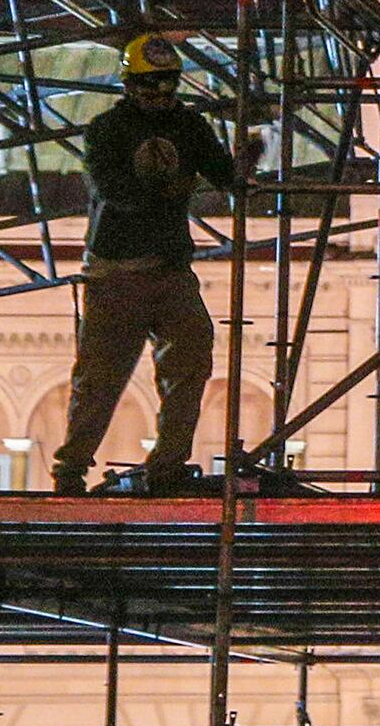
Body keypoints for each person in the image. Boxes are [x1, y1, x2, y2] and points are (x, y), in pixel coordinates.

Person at [56, 32, 259, 495]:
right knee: (102, 375)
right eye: (152, 85)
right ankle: (70, 469)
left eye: (168, 84)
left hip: (167, 268)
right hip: (117, 271)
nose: (161, 95)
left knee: (190, 360)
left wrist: (242, 167)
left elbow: (223, 175)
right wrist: (167, 190)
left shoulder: (187, 126)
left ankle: (167, 464)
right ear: (130, 84)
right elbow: (111, 189)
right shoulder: (108, 130)